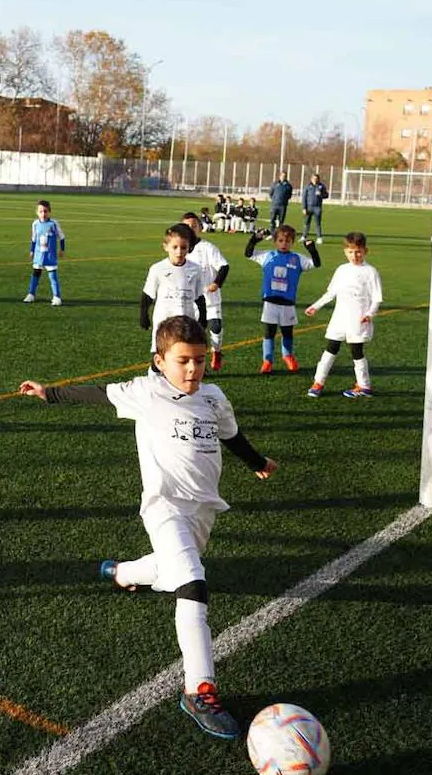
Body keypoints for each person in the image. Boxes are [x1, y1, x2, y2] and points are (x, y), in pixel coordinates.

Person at [17, 316, 278, 740]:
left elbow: (232, 436)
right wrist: (50, 394)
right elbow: (99, 394)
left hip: (203, 510)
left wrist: (257, 462)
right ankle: (200, 690)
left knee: (170, 568)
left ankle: (121, 572)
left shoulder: (213, 397)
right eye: (182, 362)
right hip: (164, 507)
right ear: (160, 361)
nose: (193, 370)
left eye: (198, 361)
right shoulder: (147, 392)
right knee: (192, 582)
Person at [304, 231, 383, 398]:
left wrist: (369, 314)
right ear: (345, 251)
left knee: (356, 351)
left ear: (365, 251)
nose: (355, 255)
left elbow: (377, 298)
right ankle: (318, 383)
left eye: (358, 251)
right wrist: (315, 306)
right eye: (351, 252)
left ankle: (364, 386)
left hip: (358, 320)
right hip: (339, 318)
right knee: (330, 348)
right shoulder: (342, 270)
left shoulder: (370, 272)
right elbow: (331, 293)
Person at [246, 224, 322, 374]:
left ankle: (288, 356)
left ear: (292, 242)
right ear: (275, 241)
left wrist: (312, 249)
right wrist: (254, 239)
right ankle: (267, 360)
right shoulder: (267, 256)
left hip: (288, 303)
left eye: (287, 241)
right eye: (280, 240)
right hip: (270, 303)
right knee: (269, 333)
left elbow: (316, 264)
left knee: (287, 332)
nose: (283, 244)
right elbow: (248, 253)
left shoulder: (297, 259)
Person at [141, 223, 209, 370]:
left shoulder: (195, 269)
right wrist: (143, 315)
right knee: (158, 360)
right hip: (163, 321)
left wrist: (202, 318)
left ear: (189, 248)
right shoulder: (157, 269)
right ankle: (155, 385)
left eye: (184, 247)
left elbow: (199, 296)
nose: (179, 252)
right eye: (175, 247)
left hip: (186, 321)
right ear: (165, 246)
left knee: (182, 358)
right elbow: (147, 295)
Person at [182, 212, 230, 371]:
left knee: (215, 326)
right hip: (190, 300)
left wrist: (216, 283)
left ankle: (216, 352)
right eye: (187, 226)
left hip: (210, 298)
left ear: (200, 228)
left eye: (194, 225)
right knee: (193, 334)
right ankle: (197, 365)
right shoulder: (180, 249)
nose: (190, 229)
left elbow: (224, 266)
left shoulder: (207, 248)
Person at [24, 199, 65, 305]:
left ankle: (57, 297)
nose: (43, 214)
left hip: (50, 256)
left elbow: (61, 237)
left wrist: (62, 249)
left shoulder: (53, 224)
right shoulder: (35, 224)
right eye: (41, 211)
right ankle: (31, 294)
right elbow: (33, 238)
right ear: (37, 212)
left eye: (45, 211)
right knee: (35, 274)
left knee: (52, 276)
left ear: (49, 211)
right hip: (38, 255)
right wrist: (32, 251)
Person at [301, 173, 328, 242]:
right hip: (308, 207)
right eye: (314, 178)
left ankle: (319, 237)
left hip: (317, 207)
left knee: (318, 223)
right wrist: (304, 208)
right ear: (311, 179)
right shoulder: (307, 186)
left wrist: (321, 194)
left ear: (318, 179)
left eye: (316, 179)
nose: (315, 180)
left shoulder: (321, 186)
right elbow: (304, 198)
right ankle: (304, 236)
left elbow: (326, 195)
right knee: (306, 223)